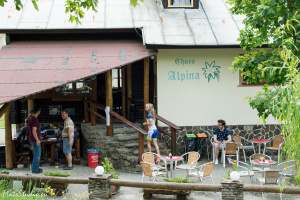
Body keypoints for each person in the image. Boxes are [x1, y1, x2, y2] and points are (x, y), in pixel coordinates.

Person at [26, 107, 42, 173]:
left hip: (31, 139)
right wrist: (37, 140)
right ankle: (35, 170)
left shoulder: (30, 118)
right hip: (35, 140)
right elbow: (34, 131)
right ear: (38, 112)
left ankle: (35, 168)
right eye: (39, 112)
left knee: (36, 154)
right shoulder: (34, 119)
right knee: (37, 154)